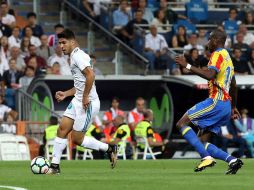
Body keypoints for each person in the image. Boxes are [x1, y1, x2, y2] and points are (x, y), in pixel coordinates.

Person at [46, 29, 117, 174]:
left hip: (88, 102)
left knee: (77, 139)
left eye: (64, 42)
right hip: (78, 100)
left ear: (73, 42)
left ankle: (108, 148)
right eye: (59, 43)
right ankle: (54, 166)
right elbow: (80, 83)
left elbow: (91, 75)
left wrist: (85, 97)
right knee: (62, 129)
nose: (61, 46)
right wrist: (66, 93)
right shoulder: (73, 56)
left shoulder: (79, 56)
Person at [175, 29, 243, 174]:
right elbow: (234, 85)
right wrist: (234, 107)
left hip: (216, 102)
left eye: (209, 39)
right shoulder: (227, 57)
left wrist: (186, 65)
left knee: (182, 123)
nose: (207, 43)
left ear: (216, 41)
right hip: (225, 106)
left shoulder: (217, 54)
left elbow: (210, 75)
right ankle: (232, 160)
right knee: (201, 142)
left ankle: (206, 158)